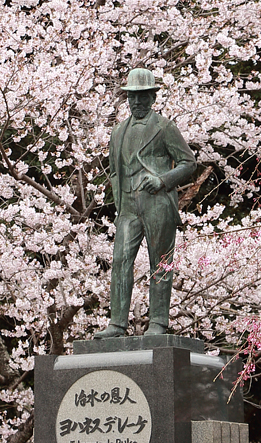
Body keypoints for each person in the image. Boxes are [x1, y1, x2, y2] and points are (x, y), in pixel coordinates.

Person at [95, 68, 196, 339]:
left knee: (160, 262)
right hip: (127, 206)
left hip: (157, 203)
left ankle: (158, 322)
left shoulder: (164, 127)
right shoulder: (118, 132)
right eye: (132, 97)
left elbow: (189, 163)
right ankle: (117, 324)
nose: (137, 102)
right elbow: (115, 170)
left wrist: (163, 180)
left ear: (152, 97)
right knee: (120, 259)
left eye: (142, 97)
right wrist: (119, 201)